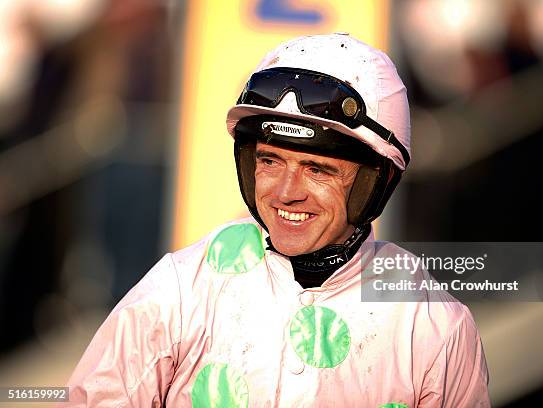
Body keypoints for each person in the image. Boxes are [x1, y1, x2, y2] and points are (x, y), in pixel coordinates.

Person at [63, 33, 490, 407]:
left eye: (317, 169)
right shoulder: (179, 292)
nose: (287, 192)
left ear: (377, 181)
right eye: (270, 161)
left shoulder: (433, 327)